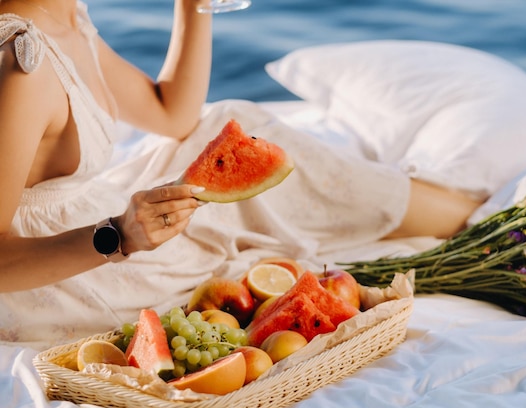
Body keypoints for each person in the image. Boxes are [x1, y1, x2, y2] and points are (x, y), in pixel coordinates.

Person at [0, 0, 482, 349]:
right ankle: (476, 218)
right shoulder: (21, 64)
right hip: (60, 273)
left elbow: (172, 114)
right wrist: (119, 236)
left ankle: (460, 212)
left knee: (231, 122)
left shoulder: (65, 14)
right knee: (253, 199)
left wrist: (194, 6)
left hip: (86, 212)